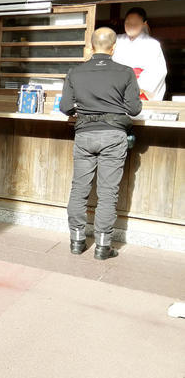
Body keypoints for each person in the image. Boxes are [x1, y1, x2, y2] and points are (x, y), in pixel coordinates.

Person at [60, 27, 142, 260]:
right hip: (113, 136)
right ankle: (103, 247)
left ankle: (76, 242)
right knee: (108, 192)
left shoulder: (75, 72)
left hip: (85, 134)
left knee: (79, 189)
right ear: (113, 47)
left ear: (91, 47)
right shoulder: (125, 73)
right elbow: (135, 108)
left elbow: (65, 107)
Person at [112, 6, 168, 101]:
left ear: (144, 24)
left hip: (140, 90)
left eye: (135, 23)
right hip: (116, 88)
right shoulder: (115, 40)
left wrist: (137, 87)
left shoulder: (153, 44)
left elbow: (158, 71)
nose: (131, 26)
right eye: (128, 23)